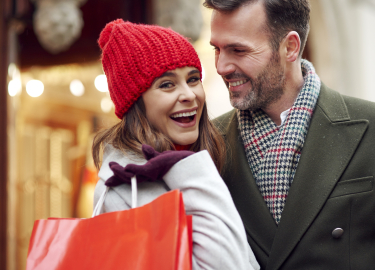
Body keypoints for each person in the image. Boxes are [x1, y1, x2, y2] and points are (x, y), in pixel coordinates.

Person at [205, 0, 375, 269]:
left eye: (238, 50)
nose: (221, 66)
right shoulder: (208, 143)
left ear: (290, 47)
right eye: (217, 49)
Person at [92, 19, 259, 270]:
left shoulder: (203, 156)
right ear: (136, 104)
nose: (189, 95)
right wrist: (193, 171)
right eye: (167, 84)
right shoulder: (126, 189)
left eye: (193, 79)